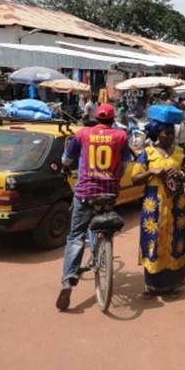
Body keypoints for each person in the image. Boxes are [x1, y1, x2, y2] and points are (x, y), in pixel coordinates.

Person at [56, 104, 131, 311]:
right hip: (109, 191)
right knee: (106, 223)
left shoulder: (82, 134)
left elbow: (67, 159)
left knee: (75, 236)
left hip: (84, 192)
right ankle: (104, 246)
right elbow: (124, 166)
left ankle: (68, 279)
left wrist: (64, 167)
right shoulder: (121, 136)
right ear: (113, 118)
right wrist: (115, 178)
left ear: (95, 117)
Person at [132, 120, 185, 297]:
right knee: (153, 240)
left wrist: (181, 175)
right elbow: (135, 178)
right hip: (154, 205)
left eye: (171, 133)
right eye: (166, 133)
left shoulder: (180, 153)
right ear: (157, 134)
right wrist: (152, 172)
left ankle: (173, 284)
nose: (170, 136)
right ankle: (151, 286)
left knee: (177, 240)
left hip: (177, 205)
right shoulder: (147, 153)